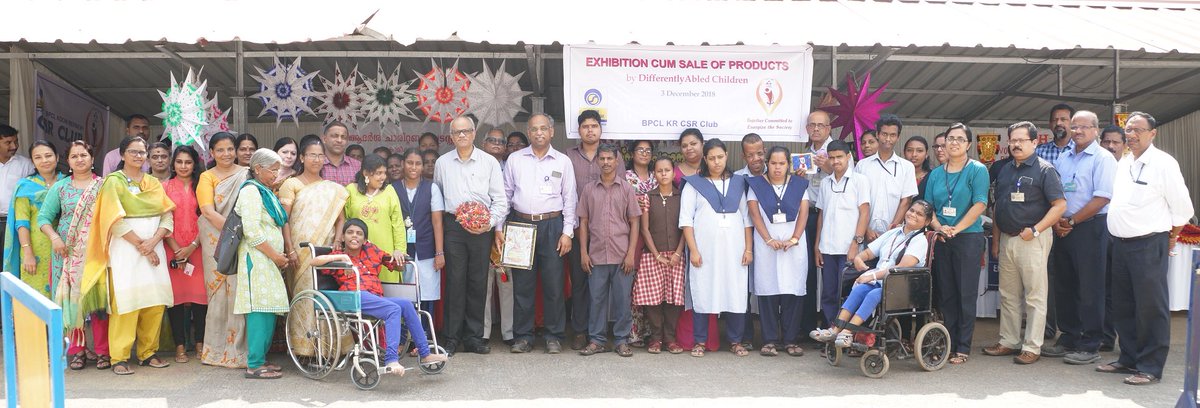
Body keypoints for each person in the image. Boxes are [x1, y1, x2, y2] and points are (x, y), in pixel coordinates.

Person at [1102, 111, 1194, 386]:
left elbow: (1183, 208)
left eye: (1138, 130)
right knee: (1123, 305)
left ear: (1153, 134)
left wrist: (1172, 235)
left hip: (1148, 243)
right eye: (1128, 130)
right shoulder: (1125, 162)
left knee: (1150, 307)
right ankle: (1128, 358)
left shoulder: (1163, 163)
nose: (1131, 134)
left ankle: (1151, 366)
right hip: (1120, 244)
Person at [83, 136, 176, 375]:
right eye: (133, 152)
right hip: (126, 250)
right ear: (122, 155)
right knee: (127, 303)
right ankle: (120, 357)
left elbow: (167, 215)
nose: (138, 156)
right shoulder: (113, 182)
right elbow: (112, 220)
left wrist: (154, 242)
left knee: (154, 302)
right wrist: (141, 245)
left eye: (142, 152)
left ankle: (148, 353)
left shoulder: (152, 183)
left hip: (154, 249)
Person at [311, 220, 448, 375]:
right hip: (354, 295)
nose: (354, 236)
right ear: (343, 237)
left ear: (365, 239)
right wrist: (342, 258)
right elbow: (314, 262)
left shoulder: (371, 250)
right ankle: (391, 360)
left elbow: (395, 265)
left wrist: (397, 255)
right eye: (350, 232)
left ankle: (425, 354)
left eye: (359, 233)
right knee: (393, 309)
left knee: (406, 304)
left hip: (375, 296)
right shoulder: (338, 254)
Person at [982, 121, 1066, 365]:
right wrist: (996, 240)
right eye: (1013, 140)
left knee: (1035, 296)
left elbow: (1060, 206)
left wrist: (1036, 230)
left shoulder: (1045, 170)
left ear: (1034, 142)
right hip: (1007, 238)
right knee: (1008, 295)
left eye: (1021, 140)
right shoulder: (1005, 169)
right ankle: (1008, 341)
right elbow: (999, 206)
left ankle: (1032, 346)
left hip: (1033, 239)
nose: (1016, 144)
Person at [1043, 110, 1117, 367]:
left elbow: (1102, 197)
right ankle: (1069, 337)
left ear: (1096, 130)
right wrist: (1060, 222)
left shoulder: (1103, 158)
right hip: (1063, 226)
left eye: (1084, 127)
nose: (1077, 131)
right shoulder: (1064, 157)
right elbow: (1058, 193)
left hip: (1090, 227)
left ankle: (1091, 343)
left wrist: (1072, 221)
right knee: (1065, 284)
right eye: (1075, 127)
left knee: (1090, 286)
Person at [810, 200, 933, 347]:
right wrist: (859, 258)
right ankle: (835, 329)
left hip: (901, 286)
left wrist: (871, 276)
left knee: (873, 294)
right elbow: (869, 252)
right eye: (912, 210)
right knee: (860, 289)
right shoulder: (893, 233)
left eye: (919, 214)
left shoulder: (920, 241)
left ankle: (847, 332)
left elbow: (900, 267)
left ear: (927, 221)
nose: (913, 214)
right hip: (883, 282)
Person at [435, 116, 508, 356]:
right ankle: (451, 338)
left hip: (482, 229)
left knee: (478, 281)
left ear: (475, 133)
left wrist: (488, 223)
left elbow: (500, 200)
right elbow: (439, 197)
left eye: (466, 131)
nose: (462, 135)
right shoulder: (442, 163)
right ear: (451, 136)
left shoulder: (489, 162)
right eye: (457, 132)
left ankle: (475, 338)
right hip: (454, 226)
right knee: (455, 281)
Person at [505, 112, 575, 354]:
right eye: (534, 129)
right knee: (522, 285)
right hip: (520, 225)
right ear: (528, 132)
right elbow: (505, 195)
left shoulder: (562, 161)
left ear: (552, 131)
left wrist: (567, 233)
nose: (539, 133)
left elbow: (570, 199)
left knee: (554, 284)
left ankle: (553, 336)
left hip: (552, 226)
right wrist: (499, 229)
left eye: (543, 128)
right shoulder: (515, 159)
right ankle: (523, 336)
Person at [37, 140, 108, 370]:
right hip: (66, 254)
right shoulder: (60, 187)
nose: (79, 159)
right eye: (74, 156)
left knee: (98, 302)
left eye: (84, 155)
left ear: (92, 158)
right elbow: (43, 219)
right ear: (67, 161)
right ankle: (76, 351)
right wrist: (55, 238)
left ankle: (102, 351)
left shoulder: (104, 186)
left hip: (97, 251)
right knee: (72, 301)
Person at [680, 139, 752, 357]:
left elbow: (747, 219)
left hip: (734, 249)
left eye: (720, 157)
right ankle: (700, 341)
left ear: (726, 157)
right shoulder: (694, 184)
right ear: (705, 159)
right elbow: (686, 220)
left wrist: (748, 249)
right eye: (711, 158)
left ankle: (735, 340)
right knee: (704, 290)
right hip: (705, 250)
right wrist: (693, 249)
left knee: (735, 292)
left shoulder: (739, 183)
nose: (716, 162)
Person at [277, 136, 348, 358]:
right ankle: (304, 349)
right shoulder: (291, 184)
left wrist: (337, 241)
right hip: (299, 252)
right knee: (305, 296)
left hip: (326, 251)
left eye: (320, 155)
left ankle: (329, 348)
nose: (316, 159)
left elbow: (340, 218)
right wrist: (289, 249)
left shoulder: (332, 189)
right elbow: (283, 219)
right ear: (302, 157)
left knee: (326, 295)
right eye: (312, 155)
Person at [924, 122, 989, 365]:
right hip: (941, 237)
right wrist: (940, 227)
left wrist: (956, 228)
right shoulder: (936, 174)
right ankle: (947, 343)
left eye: (960, 139)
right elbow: (928, 208)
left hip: (968, 238)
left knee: (965, 293)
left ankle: (963, 346)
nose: (954, 143)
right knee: (947, 294)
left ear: (968, 145)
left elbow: (980, 204)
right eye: (950, 138)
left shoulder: (977, 169)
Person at [565, 109, 626, 350]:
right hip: (579, 229)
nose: (590, 130)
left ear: (600, 129)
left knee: (608, 287)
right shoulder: (568, 157)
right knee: (580, 283)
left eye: (594, 126)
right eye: (585, 126)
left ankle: (605, 334)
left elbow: (621, 193)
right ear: (578, 130)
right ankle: (580, 331)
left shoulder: (611, 156)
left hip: (608, 232)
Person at [577, 145, 642, 357]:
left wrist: (631, 253)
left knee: (622, 300)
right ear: (597, 161)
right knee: (596, 299)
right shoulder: (588, 190)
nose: (606, 162)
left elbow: (635, 222)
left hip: (622, 254)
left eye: (609, 159)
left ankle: (621, 340)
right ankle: (596, 340)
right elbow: (584, 222)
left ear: (617, 161)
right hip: (595, 255)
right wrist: (584, 253)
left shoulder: (626, 189)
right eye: (602, 158)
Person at [746, 146, 810, 357]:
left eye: (782, 163)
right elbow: (754, 215)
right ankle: (770, 340)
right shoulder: (756, 185)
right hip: (767, 246)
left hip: (794, 247)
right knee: (768, 291)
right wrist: (768, 239)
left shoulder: (799, 185)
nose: (777, 168)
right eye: (773, 163)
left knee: (792, 291)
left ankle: (790, 339)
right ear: (767, 163)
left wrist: (794, 238)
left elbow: (803, 214)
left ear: (788, 165)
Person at [233, 148, 291, 379]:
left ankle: (262, 358)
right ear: (258, 169)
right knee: (258, 308)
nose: (276, 174)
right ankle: (254, 365)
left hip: (267, 258)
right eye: (273, 170)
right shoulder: (250, 192)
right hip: (256, 258)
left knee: (270, 307)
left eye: (278, 170)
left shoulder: (265, 191)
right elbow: (252, 232)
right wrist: (275, 255)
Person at [197, 132, 250, 368]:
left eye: (230, 149)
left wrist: (240, 235)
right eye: (220, 150)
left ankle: (238, 352)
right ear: (212, 153)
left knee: (240, 293)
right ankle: (215, 352)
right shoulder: (206, 177)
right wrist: (234, 233)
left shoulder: (246, 174)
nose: (226, 154)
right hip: (216, 242)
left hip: (244, 240)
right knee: (218, 296)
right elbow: (207, 211)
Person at [813, 140, 870, 327]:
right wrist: (817, 246)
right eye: (831, 158)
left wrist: (856, 243)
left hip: (849, 248)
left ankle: (846, 333)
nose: (835, 161)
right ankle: (830, 331)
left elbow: (864, 212)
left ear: (848, 157)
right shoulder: (825, 183)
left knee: (846, 292)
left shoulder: (859, 180)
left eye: (839, 157)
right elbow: (821, 214)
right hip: (827, 247)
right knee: (828, 292)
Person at [162, 145, 209, 364]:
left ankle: (200, 342)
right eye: (179, 162)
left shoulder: (202, 186)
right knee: (176, 300)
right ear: (173, 164)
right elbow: (162, 219)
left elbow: (207, 218)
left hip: (199, 248)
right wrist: (176, 248)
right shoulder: (164, 187)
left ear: (194, 164)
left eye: (188, 162)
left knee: (201, 298)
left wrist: (192, 246)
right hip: (171, 248)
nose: (183, 166)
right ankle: (179, 346)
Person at [636, 155, 686, 355]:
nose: (663, 174)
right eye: (659, 171)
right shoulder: (648, 197)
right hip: (652, 256)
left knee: (673, 300)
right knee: (653, 300)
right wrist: (656, 255)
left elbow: (686, 228)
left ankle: (671, 339)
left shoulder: (682, 196)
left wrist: (678, 253)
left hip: (676, 255)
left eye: (667, 170)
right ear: (654, 174)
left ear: (673, 172)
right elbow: (644, 229)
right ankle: (656, 339)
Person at [392, 149, 445, 332]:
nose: (413, 167)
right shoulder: (393, 188)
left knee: (426, 294)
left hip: (427, 250)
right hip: (401, 251)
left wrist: (439, 252)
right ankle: (404, 337)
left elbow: (437, 222)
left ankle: (423, 336)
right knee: (403, 294)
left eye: (417, 163)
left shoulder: (432, 188)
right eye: (409, 163)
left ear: (423, 167)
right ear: (403, 164)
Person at [4, 140, 62, 297]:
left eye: (48, 155)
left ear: (57, 157)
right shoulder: (25, 186)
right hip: (34, 250)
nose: (44, 160)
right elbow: (22, 223)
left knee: (62, 298)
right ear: (33, 162)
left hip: (64, 249)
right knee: (35, 298)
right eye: (38, 157)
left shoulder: (67, 183)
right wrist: (28, 253)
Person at [856, 114, 918, 242]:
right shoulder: (862, 165)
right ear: (877, 134)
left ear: (898, 137)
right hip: (865, 233)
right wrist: (865, 229)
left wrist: (892, 229)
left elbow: (906, 201)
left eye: (892, 135)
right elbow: (856, 199)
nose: (888, 139)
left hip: (893, 235)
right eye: (884, 134)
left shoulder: (906, 167)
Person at [801, 110, 834, 334]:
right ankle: (807, 325)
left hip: (831, 218)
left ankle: (831, 323)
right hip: (807, 216)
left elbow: (848, 180)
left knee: (830, 272)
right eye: (812, 125)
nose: (816, 129)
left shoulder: (838, 152)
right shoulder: (803, 155)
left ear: (829, 129)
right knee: (807, 271)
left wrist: (829, 167)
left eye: (820, 125)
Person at [480, 135, 514, 344]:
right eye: (491, 140)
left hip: (508, 232)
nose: (496, 143)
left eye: (501, 141)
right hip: (481, 231)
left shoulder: (511, 167)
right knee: (483, 284)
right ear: (483, 144)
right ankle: (483, 333)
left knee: (507, 283)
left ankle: (508, 332)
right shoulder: (476, 165)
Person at [1097, 124, 1126, 352]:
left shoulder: (1129, 168)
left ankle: (1117, 339)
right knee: (1102, 285)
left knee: (1120, 289)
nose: (1111, 146)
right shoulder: (1099, 165)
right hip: (1100, 230)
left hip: (1124, 236)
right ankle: (1104, 336)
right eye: (1106, 142)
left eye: (1116, 142)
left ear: (1124, 146)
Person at [624, 140, 656, 344]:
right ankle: (633, 332)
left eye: (648, 150)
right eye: (640, 150)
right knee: (633, 284)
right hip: (632, 233)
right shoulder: (625, 177)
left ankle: (651, 332)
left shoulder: (656, 175)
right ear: (632, 153)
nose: (644, 153)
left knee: (650, 282)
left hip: (655, 233)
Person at [0, 125, 34, 248]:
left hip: (13, 223)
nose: (14, 146)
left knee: (9, 262)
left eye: (16, 141)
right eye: (8, 142)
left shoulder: (26, 165)